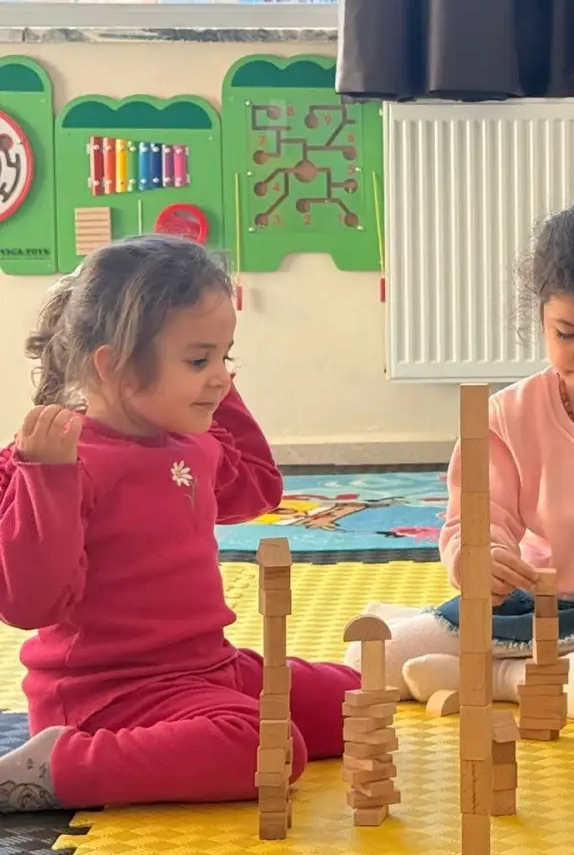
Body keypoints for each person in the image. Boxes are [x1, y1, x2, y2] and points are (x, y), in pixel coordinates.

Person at [0, 235, 360, 813]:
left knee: (357, 701)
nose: (221, 377)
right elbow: (29, 604)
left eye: (226, 357)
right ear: (114, 366)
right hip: (108, 695)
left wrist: (212, 385)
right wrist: (46, 478)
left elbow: (258, 487)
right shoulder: (66, 457)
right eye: (199, 360)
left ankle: (171, 738)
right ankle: (58, 766)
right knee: (269, 750)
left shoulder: (193, 441)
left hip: (208, 668)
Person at [352, 197, 574, 726]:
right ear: (541, 315)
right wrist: (481, 558)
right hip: (526, 608)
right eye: (566, 333)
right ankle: (508, 669)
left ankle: (496, 679)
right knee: (366, 660)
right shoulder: (506, 414)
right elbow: (477, 517)